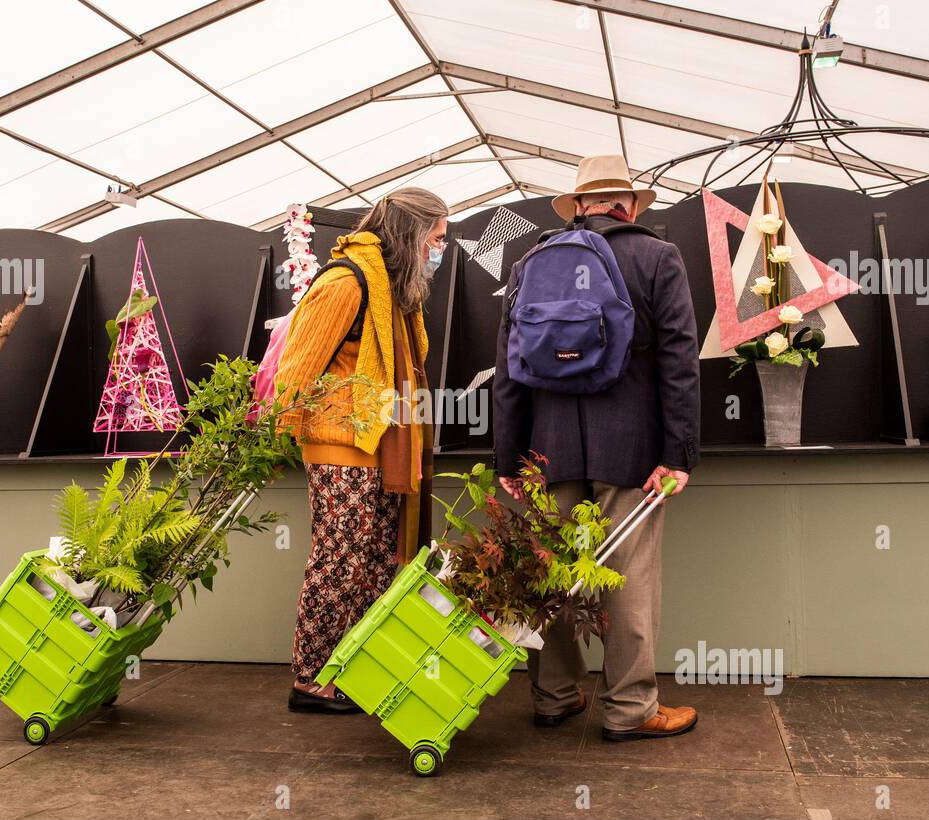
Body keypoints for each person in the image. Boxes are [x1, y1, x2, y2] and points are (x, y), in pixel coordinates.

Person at [494, 154, 702, 741]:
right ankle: (629, 709)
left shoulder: (529, 262)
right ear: (630, 204)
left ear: (578, 205)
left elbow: (508, 370)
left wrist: (509, 459)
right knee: (628, 575)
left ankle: (554, 696)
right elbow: (678, 361)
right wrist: (678, 452)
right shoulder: (658, 257)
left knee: (552, 573)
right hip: (632, 448)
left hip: (546, 449)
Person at [275, 188, 449, 713]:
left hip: (380, 445)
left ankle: (352, 666)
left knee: (375, 561)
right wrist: (289, 430)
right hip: (340, 445)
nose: (440, 249)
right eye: (436, 239)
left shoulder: (393, 291)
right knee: (338, 561)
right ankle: (309, 680)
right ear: (411, 234)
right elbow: (296, 369)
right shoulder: (345, 282)